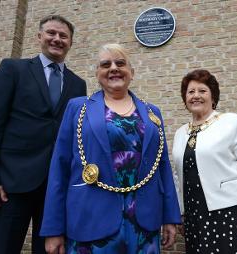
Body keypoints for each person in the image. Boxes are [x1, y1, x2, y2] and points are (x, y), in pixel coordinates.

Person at [40, 43, 181, 254]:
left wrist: (170, 216)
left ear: (131, 73)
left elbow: (162, 167)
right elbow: (59, 168)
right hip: (90, 219)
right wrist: (53, 228)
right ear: (97, 73)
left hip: (143, 221)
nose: (113, 68)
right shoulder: (77, 108)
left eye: (120, 63)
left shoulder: (153, 112)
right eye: (106, 64)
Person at [0, 15, 86, 254]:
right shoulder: (13, 69)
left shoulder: (78, 84)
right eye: (51, 33)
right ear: (39, 37)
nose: (57, 39)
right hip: (12, 184)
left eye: (63, 36)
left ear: (70, 42)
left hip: (55, 187)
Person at [172, 69, 237, 254]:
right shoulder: (180, 133)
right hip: (194, 215)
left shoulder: (231, 122)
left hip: (229, 212)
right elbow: (178, 175)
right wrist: (181, 213)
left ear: (213, 96)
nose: (196, 96)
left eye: (202, 91)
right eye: (191, 92)